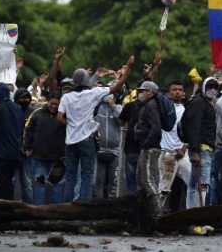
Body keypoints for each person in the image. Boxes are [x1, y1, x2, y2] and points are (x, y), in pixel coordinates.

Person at [58, 56, 134, 201]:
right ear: (87, 81)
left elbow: (59, 118)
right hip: (87, 141)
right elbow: (117, 87)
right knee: (87, 175)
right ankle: (84, 206)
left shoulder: (66, 97)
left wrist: (72, 125)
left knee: (70, 175)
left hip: (70, 142)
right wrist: (128, 68)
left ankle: (67, 205)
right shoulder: (94, 93)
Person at [181, 77, 218, 207]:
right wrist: (196, 151)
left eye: (215, 87)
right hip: (201, 149)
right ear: (203, 88)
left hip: (202, 148)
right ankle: (198, 212)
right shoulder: (199, 103)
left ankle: (191, 210)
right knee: (202, 184)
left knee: (194, 184)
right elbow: (194, 127)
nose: (212, 90)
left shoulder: (206, 103)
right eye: (209, 87)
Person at [23, 94, 66, 204]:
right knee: (39, 185)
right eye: (52, 103)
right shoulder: (37, 113)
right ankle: (39, 209)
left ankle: (57, 210)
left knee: (57, 185)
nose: (54, 106)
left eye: (57, 104)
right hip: (39, 157)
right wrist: (27, 146)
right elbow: (28, 130)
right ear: (47, 102)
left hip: (58, 158)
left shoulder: (64, 115)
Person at [0, 83, 25, 200]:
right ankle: (9, 206)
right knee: (8, 183)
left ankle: (2, 209)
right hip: (14, 153)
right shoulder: (18, 109)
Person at [158, 81, 192, 212]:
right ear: (168, 93)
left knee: (194, 184)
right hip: (167, 154)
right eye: (174, 89)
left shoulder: (187, 110)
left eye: (180, 90)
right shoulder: (163, 109)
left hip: (182, 154)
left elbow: (190, 132)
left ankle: (194, 212)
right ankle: (156, 213)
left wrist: (183, 148)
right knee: (164, 189)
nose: (178, 92)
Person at [133, 81, 162, 216]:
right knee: (143, 179)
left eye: (143, 91)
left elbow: (156, 128)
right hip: (149, 147)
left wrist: (146, 143)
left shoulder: (151, 105)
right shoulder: (148, 105)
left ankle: (158, 210)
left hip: (150, 147)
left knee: (148, 180)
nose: (140, 93)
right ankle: (146, 211)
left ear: (150, 92)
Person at [94, 93, 123, 199]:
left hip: (114, 151)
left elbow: (122, 122)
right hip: (99, 150)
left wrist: (113, 105)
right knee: (99, 180)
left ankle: (110, 203)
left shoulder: (118, 107)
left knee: (112, 181)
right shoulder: (97, 107)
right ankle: (98, 203)